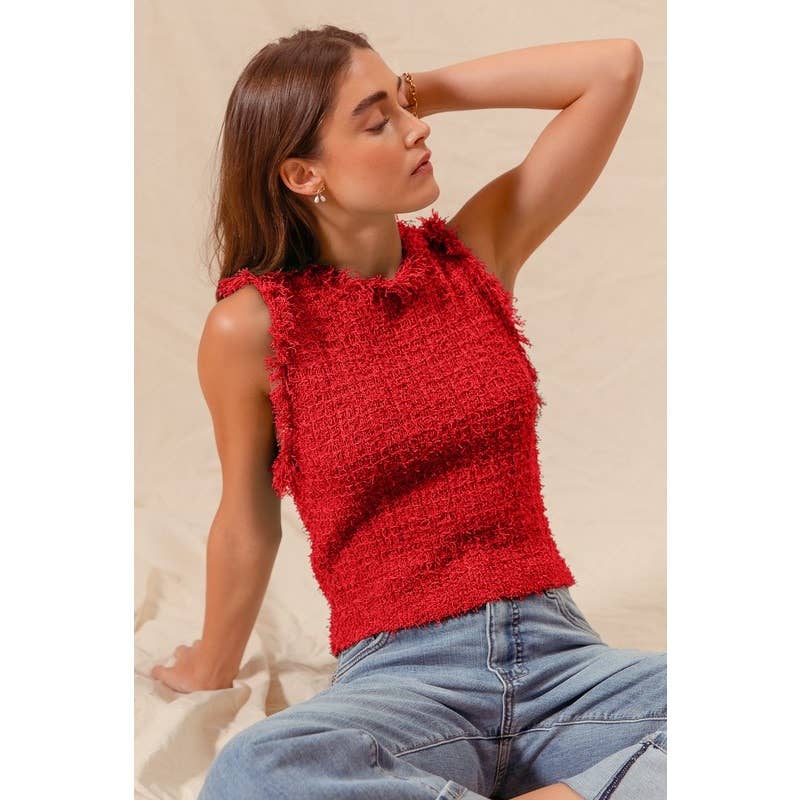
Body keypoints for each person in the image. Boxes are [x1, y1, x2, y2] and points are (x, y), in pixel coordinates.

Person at [151, 24, 664, 800]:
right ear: (302, 173)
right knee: (256, 770)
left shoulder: (475, 257)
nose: (415, 129)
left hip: (563, 665)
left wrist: (412, 92)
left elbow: (613, 68)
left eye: (404, 107)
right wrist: (207, 666)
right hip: (405, 682)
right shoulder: (252, 328)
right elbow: (247, 520)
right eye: (376, 122)